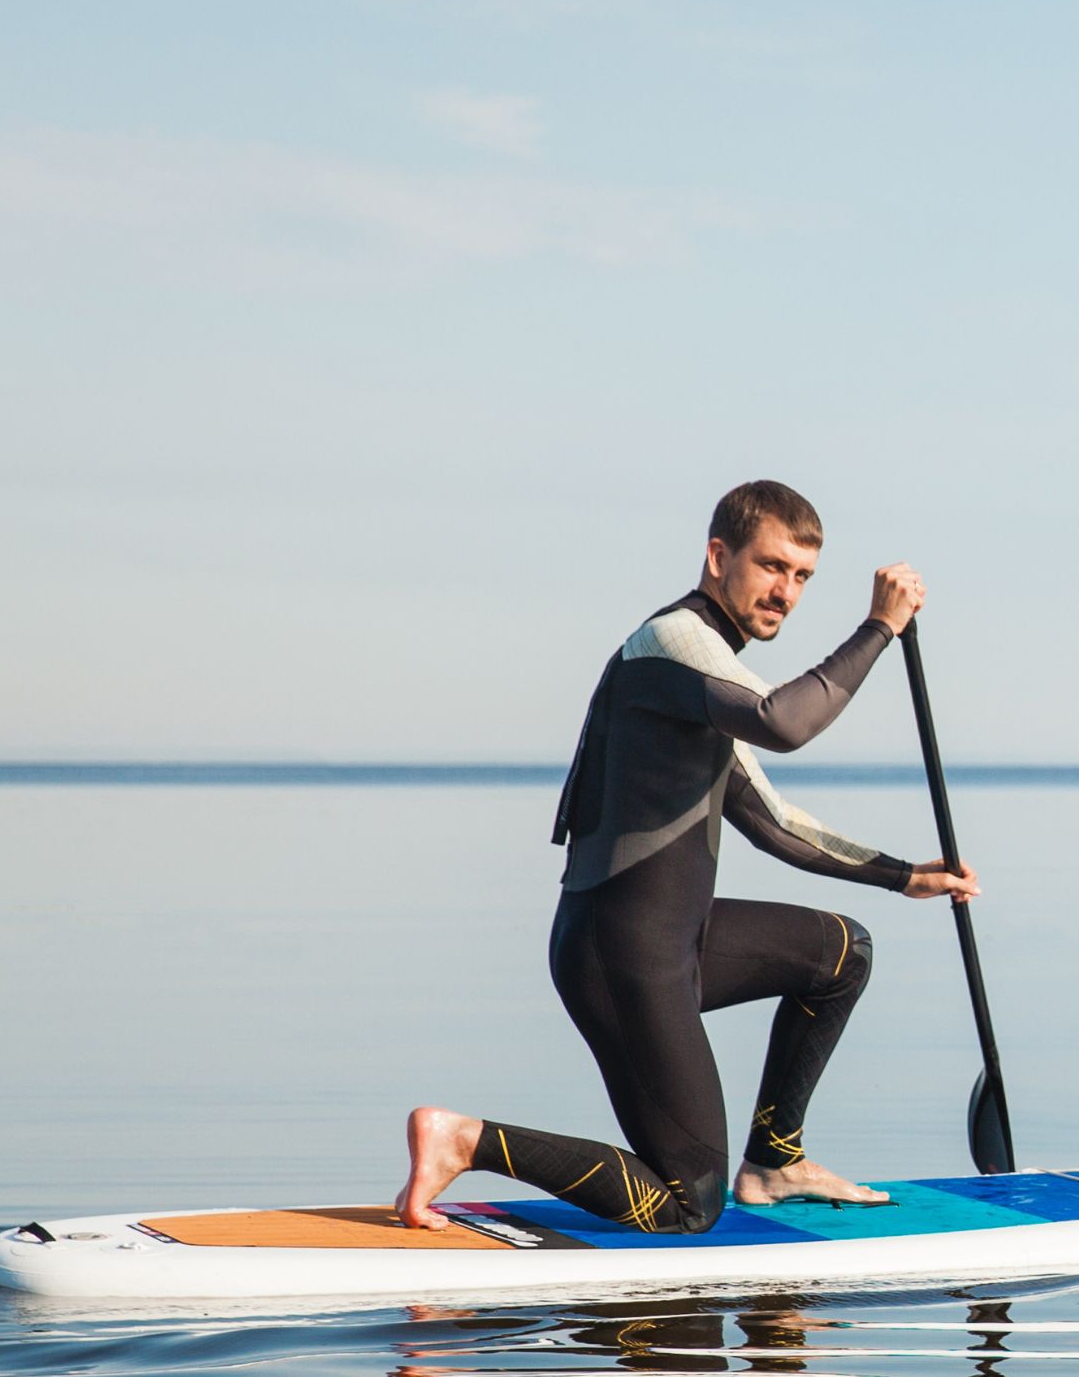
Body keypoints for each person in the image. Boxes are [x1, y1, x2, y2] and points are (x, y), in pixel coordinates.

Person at [395, 479, 977, 1234]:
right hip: (619, 954)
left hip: (677, 940)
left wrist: (901, 876)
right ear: (717, 555)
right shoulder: (674, 644)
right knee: (687, 1203)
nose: (786, 592)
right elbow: (784, 722)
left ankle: (774, 1162)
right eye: (772, 566)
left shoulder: (704, 681)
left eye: (801, 577)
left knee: (842, 953)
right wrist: (878, 628)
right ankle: (464, 1140)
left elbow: (775, 823)